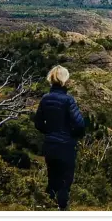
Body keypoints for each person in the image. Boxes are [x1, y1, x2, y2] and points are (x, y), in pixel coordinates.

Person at [34, 65, 85, 211]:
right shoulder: (68, 100)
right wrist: (72, 136)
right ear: (65, 80)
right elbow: (80, 124)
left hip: (50, 146)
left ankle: (48, 209)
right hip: (66, 147)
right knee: (65, 183)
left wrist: (50, 132)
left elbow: (38, 123)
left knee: (52, 181)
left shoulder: (45, 99)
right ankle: (62, 211)